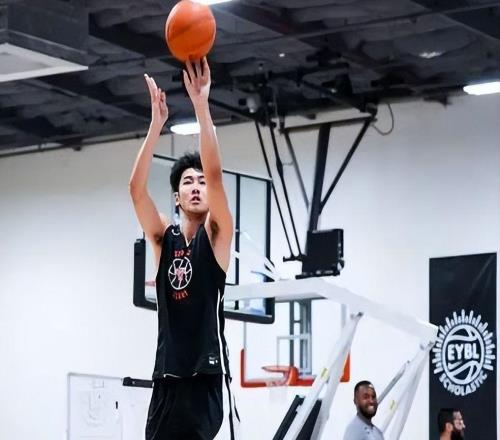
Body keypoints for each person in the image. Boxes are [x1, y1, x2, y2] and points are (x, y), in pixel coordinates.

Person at [129, 57, 239, 440]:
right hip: (167, 377)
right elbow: (136, 191)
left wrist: (201, 105)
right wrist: (155, 127)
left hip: (205, 377)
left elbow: (216, 175)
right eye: (188, 182)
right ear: (176, 197)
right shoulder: (164, 238)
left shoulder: (219, 234)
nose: (196, 187)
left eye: (201, 182)